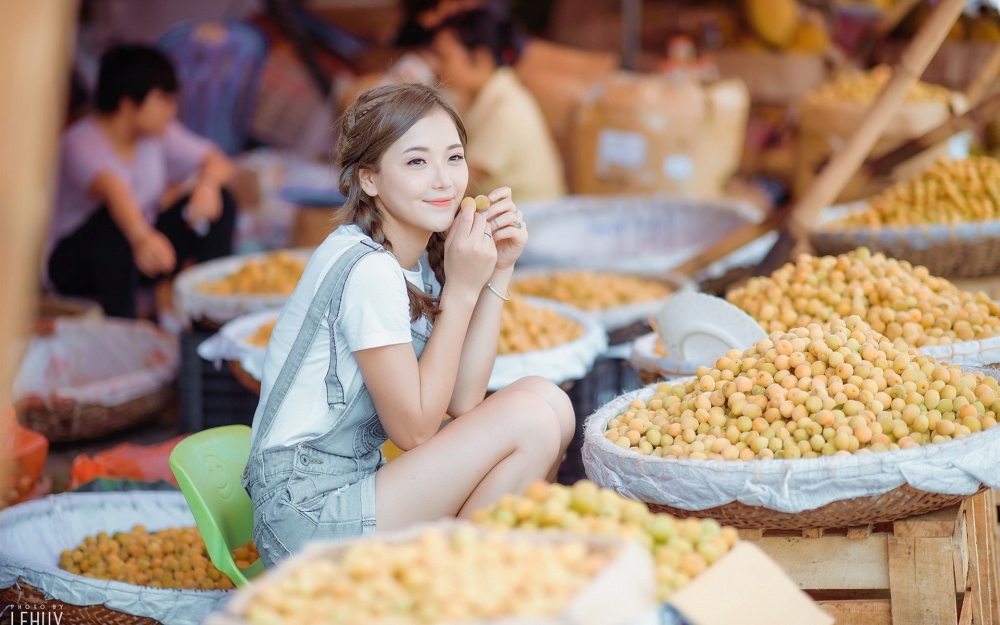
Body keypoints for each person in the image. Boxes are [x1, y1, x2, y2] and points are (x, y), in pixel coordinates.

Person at [242, 82, 574, 567]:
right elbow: (415, 431)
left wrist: (499, 268)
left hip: (352, 488)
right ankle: (457, 599)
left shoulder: (408, 260)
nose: (444, 180)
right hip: (304, 517)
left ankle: (454, 592)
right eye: (417, 162)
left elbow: (463, 400)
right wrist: (461, 290)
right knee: (531, 419)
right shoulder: (367, 268)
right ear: (370, 179)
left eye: (454, 158)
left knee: (549, 400)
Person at [45, 44, 236, 319]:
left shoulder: (158, 134)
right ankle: (123, 326)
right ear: (127, 103)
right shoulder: (79, 142)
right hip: (77, 264)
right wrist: (142, 237)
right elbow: (113, 190)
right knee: (114, 226)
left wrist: (208, 185)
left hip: (139, 248)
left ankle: (213, 312)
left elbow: (217, 160)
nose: (172, 109)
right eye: (163, 99)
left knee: (222, 202)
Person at [429, 9, 566, 202]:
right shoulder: (490, 96)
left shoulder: (505, 109)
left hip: (532, 220)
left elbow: (456, 186)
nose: (436, 67)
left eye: (443, 57)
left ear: (478, 58)